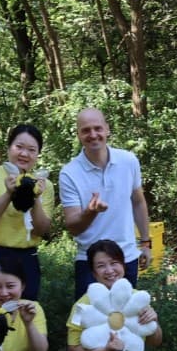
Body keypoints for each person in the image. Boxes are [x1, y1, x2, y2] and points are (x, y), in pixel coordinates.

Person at [59, 109, 153, 300]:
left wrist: (145, 243)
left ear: (107, 129)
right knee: (88, 323)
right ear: (78, 134)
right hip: (90, 263)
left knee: (125, 321)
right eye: (86, 130)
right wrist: (91, 212)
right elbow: (73, 227)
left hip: (126, 258)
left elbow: (138, 202)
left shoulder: (128, 161)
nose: (93, 135)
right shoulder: (69, 173)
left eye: (97, 128)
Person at [0, 124, 54, 308]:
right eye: (19, 147)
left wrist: (36, 198)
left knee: (25, 314)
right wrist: (8, 194)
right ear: (8, 147)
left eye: (32, 150)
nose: (24, 154)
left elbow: (43, 230)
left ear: (38, 154)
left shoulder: (44, 183)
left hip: (26, 259)